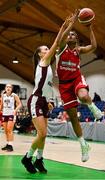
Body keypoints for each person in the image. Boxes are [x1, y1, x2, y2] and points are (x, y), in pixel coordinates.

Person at [21, 10, 79, 174]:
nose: (48, 50)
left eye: (48, 48)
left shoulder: (47, 65)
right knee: (43, 133)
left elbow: (46, 86)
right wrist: (66, 25)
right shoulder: (44, 61)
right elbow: (58, 41)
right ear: (40, 54)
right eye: (45, 49)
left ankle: (39, 160)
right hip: (35, 100)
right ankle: (27, 157)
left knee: (44, 135)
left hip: (43, 100)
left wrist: (48, 100)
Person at [55, 19, 102, 162]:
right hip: (64, 85)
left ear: (77, 39)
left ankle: (93, 108)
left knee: (83, 95)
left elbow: (94, 46)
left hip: (76, 79)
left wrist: (90, 28)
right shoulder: (62, 48)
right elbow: (59, 40)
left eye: (73, 34)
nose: (70, 35)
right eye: (68, 34)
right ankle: (83, 145)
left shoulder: (78, 50)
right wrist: (70, 24)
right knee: (73, 118)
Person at [0, 84, 22, 151]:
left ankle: (11, 145)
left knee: (9, 129)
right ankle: (8, 144)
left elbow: (20, 104)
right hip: (4, 114)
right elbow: (2, 105)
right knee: (6, 131)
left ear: (11, 89)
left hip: (11, 114)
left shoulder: (14, 95)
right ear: (5, 88)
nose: (8, 88)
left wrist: (15, 110)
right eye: (7, 87)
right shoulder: (3, 96)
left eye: (10, 87)